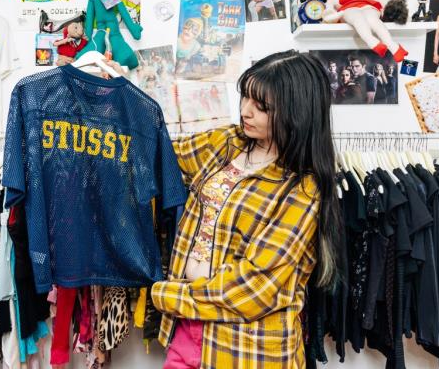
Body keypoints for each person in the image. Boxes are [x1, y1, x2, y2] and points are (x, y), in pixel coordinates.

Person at [143, 50, 341, 368]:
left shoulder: (302, 189)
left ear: (297, 112)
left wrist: (165, 296)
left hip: (247, 349)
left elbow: (253, 287)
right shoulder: (227, 143)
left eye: (262, 106)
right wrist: (115, 98)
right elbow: (158, 155)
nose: (246, 111)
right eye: (245, 97)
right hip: (187, 331)